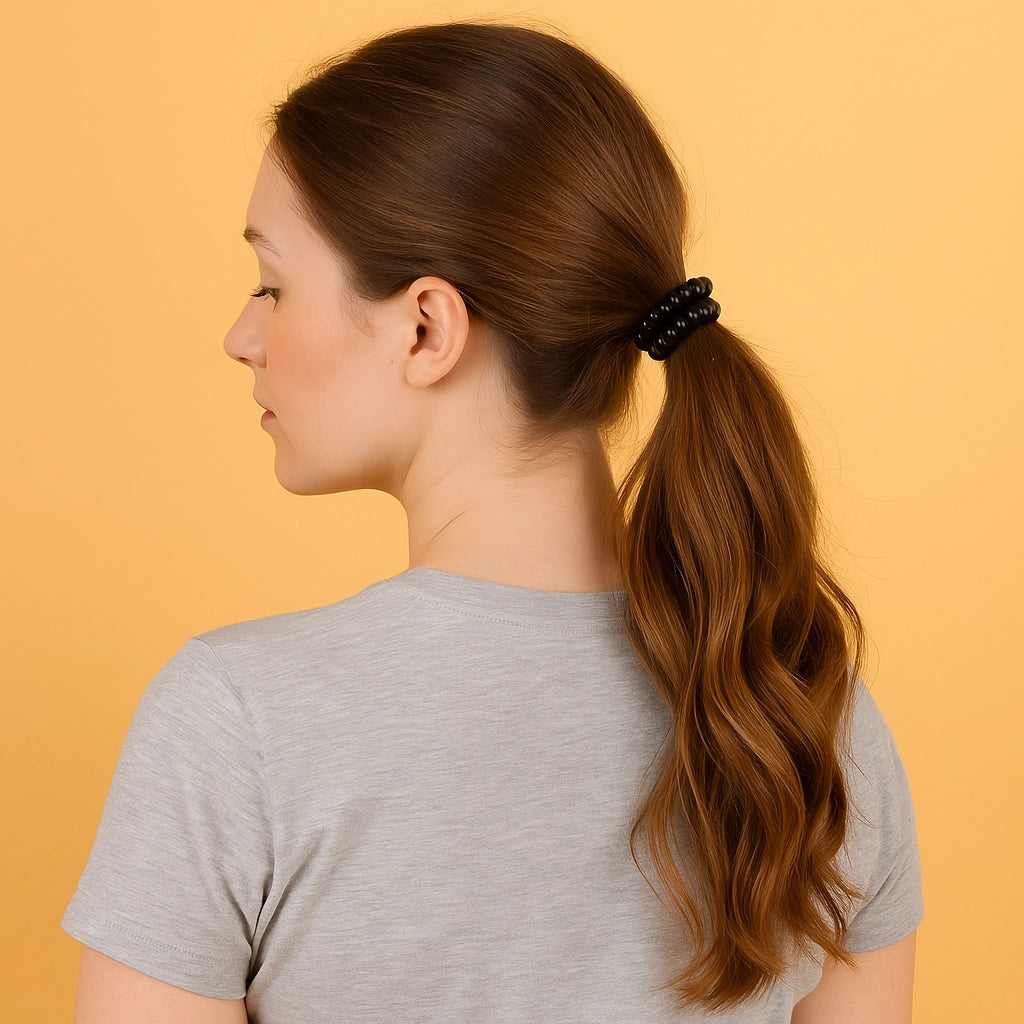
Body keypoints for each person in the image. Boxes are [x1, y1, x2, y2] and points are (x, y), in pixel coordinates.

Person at [61, 21, 923, 1024]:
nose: (241, 336)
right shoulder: (799, 714)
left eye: (273, 285)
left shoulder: (237, 721)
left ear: (426, 326)